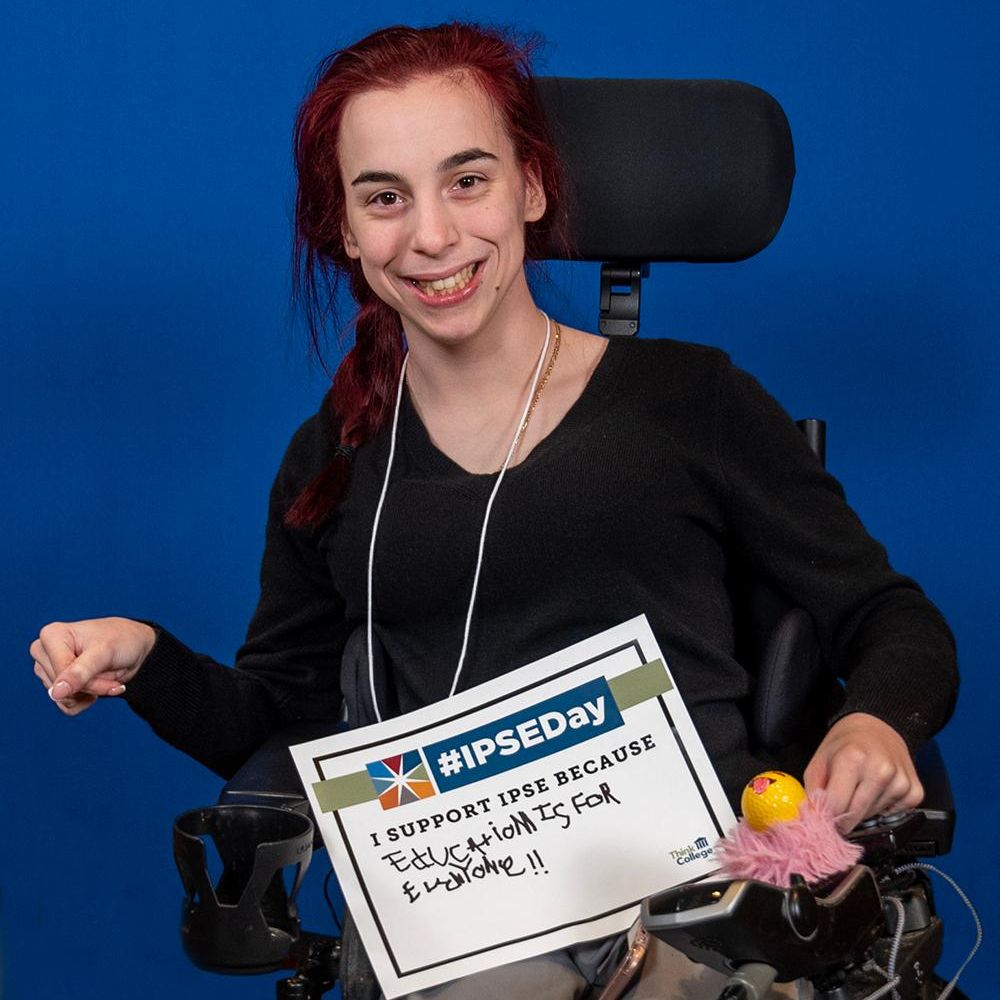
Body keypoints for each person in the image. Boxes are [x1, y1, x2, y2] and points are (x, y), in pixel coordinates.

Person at [30, 22, 957, 1000]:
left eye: (467, 180)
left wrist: (875, 725)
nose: (430, 235)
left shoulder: (693, 403)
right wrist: (150, 658)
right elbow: (291, 728)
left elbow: (895, 622)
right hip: (462, 916)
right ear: (345, 228)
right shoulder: (337, 458)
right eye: (384, 197)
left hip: (702, 901)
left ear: (531, 186)